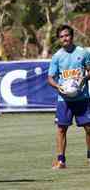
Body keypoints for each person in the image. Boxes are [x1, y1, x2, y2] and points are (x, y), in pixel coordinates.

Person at [48, 24, 90, 169]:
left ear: (72, 36)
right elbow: (50, 78)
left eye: (67, 35)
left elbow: (89, 71)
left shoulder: (83, 52)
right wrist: (58, 86)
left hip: (82, 98)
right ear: (59, 39)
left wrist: (84, 78)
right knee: (61, 129)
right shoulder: (57, 56)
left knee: (89, 127)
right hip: (64, 100)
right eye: (62, 36)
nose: (65, 38)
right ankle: (61, 160)